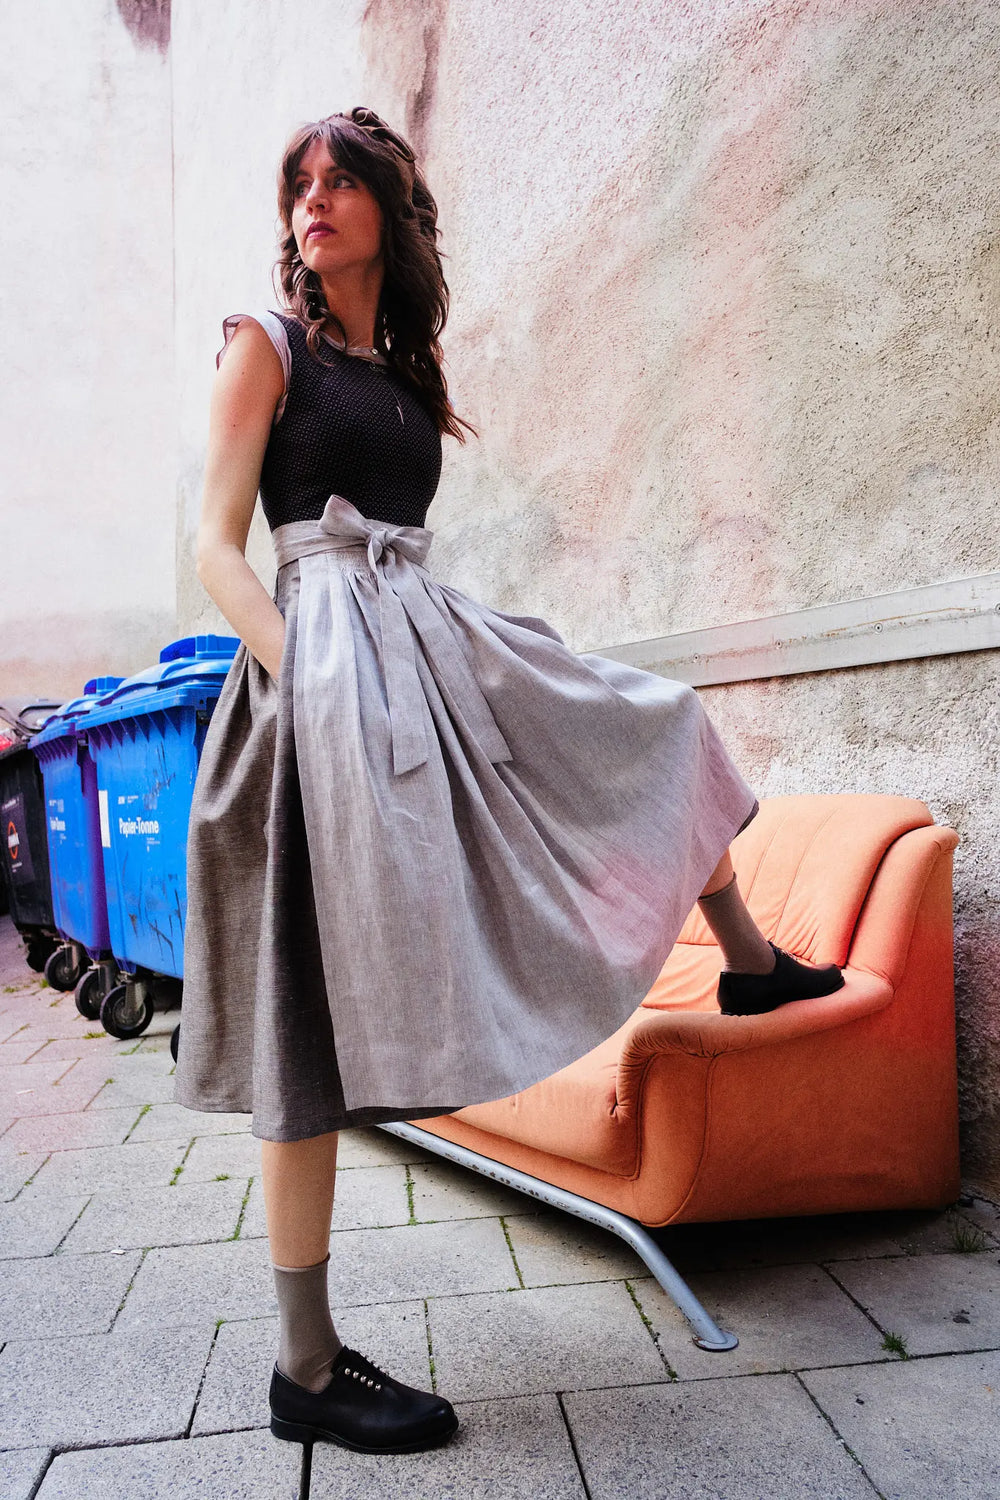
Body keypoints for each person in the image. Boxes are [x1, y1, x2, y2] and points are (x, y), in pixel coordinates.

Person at [172, 106, 844, 1467]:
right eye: (298, 183)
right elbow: (217, 546)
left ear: (388, 206)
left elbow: (401, 547)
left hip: (427, 639)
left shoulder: (406, 372)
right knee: (304, 1016)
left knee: (643, 725)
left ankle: (754, 961)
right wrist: (307, 677)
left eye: (342, 181)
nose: (314, 202)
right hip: (316, 670)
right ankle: (303, 1360)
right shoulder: (267, 342)